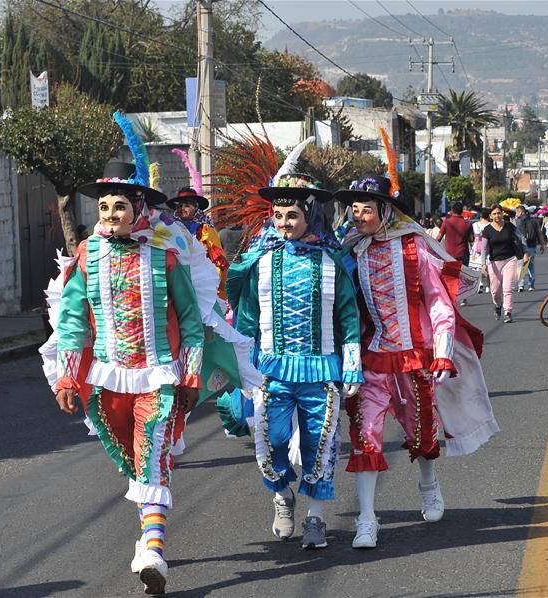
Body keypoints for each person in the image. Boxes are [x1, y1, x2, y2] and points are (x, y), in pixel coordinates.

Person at [41, 114, 260, 596]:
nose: (110, 215)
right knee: (134, 459)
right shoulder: (85, 258)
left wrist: (188, 377)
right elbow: (74, 322)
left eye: (119, 205)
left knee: (154, 454)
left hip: (159, 376)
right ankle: (149, 535)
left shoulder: (165, 256)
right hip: (107, 379)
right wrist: (65, 379)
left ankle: (153, 546)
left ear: (139, 207)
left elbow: (194, 325)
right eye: (103, 207)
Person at [335, 171, 498, 550]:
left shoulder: (413, 247)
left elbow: (438, 301)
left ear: (385, 211)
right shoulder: (350, 249)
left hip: (415, 357)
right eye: (354, 210)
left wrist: (442, 352)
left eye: (366, 209)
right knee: (365, 435)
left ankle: (429, 485)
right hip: (372, 357)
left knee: (421, 434)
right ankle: (366, 519)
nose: (358, 216)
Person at [227, 172, 362, 550]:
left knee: (321, 445)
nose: (284, 223)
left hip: (321, 370)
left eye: (292, 216)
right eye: (278, 215)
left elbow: (348, 318)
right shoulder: (263, 261)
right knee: (270, 443)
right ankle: (283, 494)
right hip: (271, 369)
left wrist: (351, 364)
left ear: (310, 216)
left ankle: (316, 516)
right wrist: (241, 365)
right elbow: (249, 318)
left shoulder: (333, 262)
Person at [169, 149, 230, 298]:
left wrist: (211, 283)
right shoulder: (171, 228)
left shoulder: (205, 230)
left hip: (202, 283)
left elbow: (218, 260)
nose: (182, 209)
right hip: (178, 280)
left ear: (195, 208)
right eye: (180, 205)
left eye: (187, 205)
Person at [481, 204, 529, 323]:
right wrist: (483, 264)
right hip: (494, 263)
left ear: (502, 214)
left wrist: (526, 252)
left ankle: (508, 312)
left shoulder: (509, 226)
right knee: (495, 290)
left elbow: (521, 237)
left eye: (499, 213)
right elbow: (484, 248)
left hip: (509, 260)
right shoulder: (487, 230)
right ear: (491, 216)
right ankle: (498, 305)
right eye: (494, 214)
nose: (497, 216)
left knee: (508, 287)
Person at [514, 205, 543, 292]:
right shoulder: (534, 221)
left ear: (521, 212)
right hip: (532, 246)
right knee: (531, 266)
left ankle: (521, 285)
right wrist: (542, 244)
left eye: (517, 212)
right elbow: (539, 233)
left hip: (521, 247)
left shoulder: (517, 221)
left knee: (520, 265)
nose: (516, 214)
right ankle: (531, 284)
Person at [470, 208, 491, 294]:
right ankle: (488, 286)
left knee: (478, 267)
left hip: (477, 247)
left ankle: (480, 283)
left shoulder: (475, 224)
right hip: (488, 247)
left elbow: (474, 235)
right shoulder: (490, 225)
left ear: (481, 215)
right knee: (489, 267)